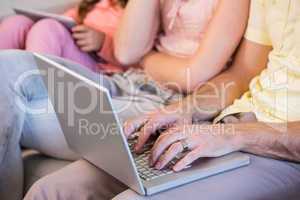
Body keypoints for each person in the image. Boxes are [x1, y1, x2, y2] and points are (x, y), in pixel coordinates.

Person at [25, 0, 300, 199]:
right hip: (231, 121)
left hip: (277, 149)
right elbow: (244, 72)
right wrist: (184, 109)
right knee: (50, 190)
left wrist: (233, 135)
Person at [0, 0, 127, 74]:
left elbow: (135, 56)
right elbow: (68, 20)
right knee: (17, 23)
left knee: (48, 28)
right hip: (76, 50)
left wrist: (104, 42)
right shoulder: (98, 3)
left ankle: (33, 88)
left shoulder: (137, 12)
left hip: (102, 69)